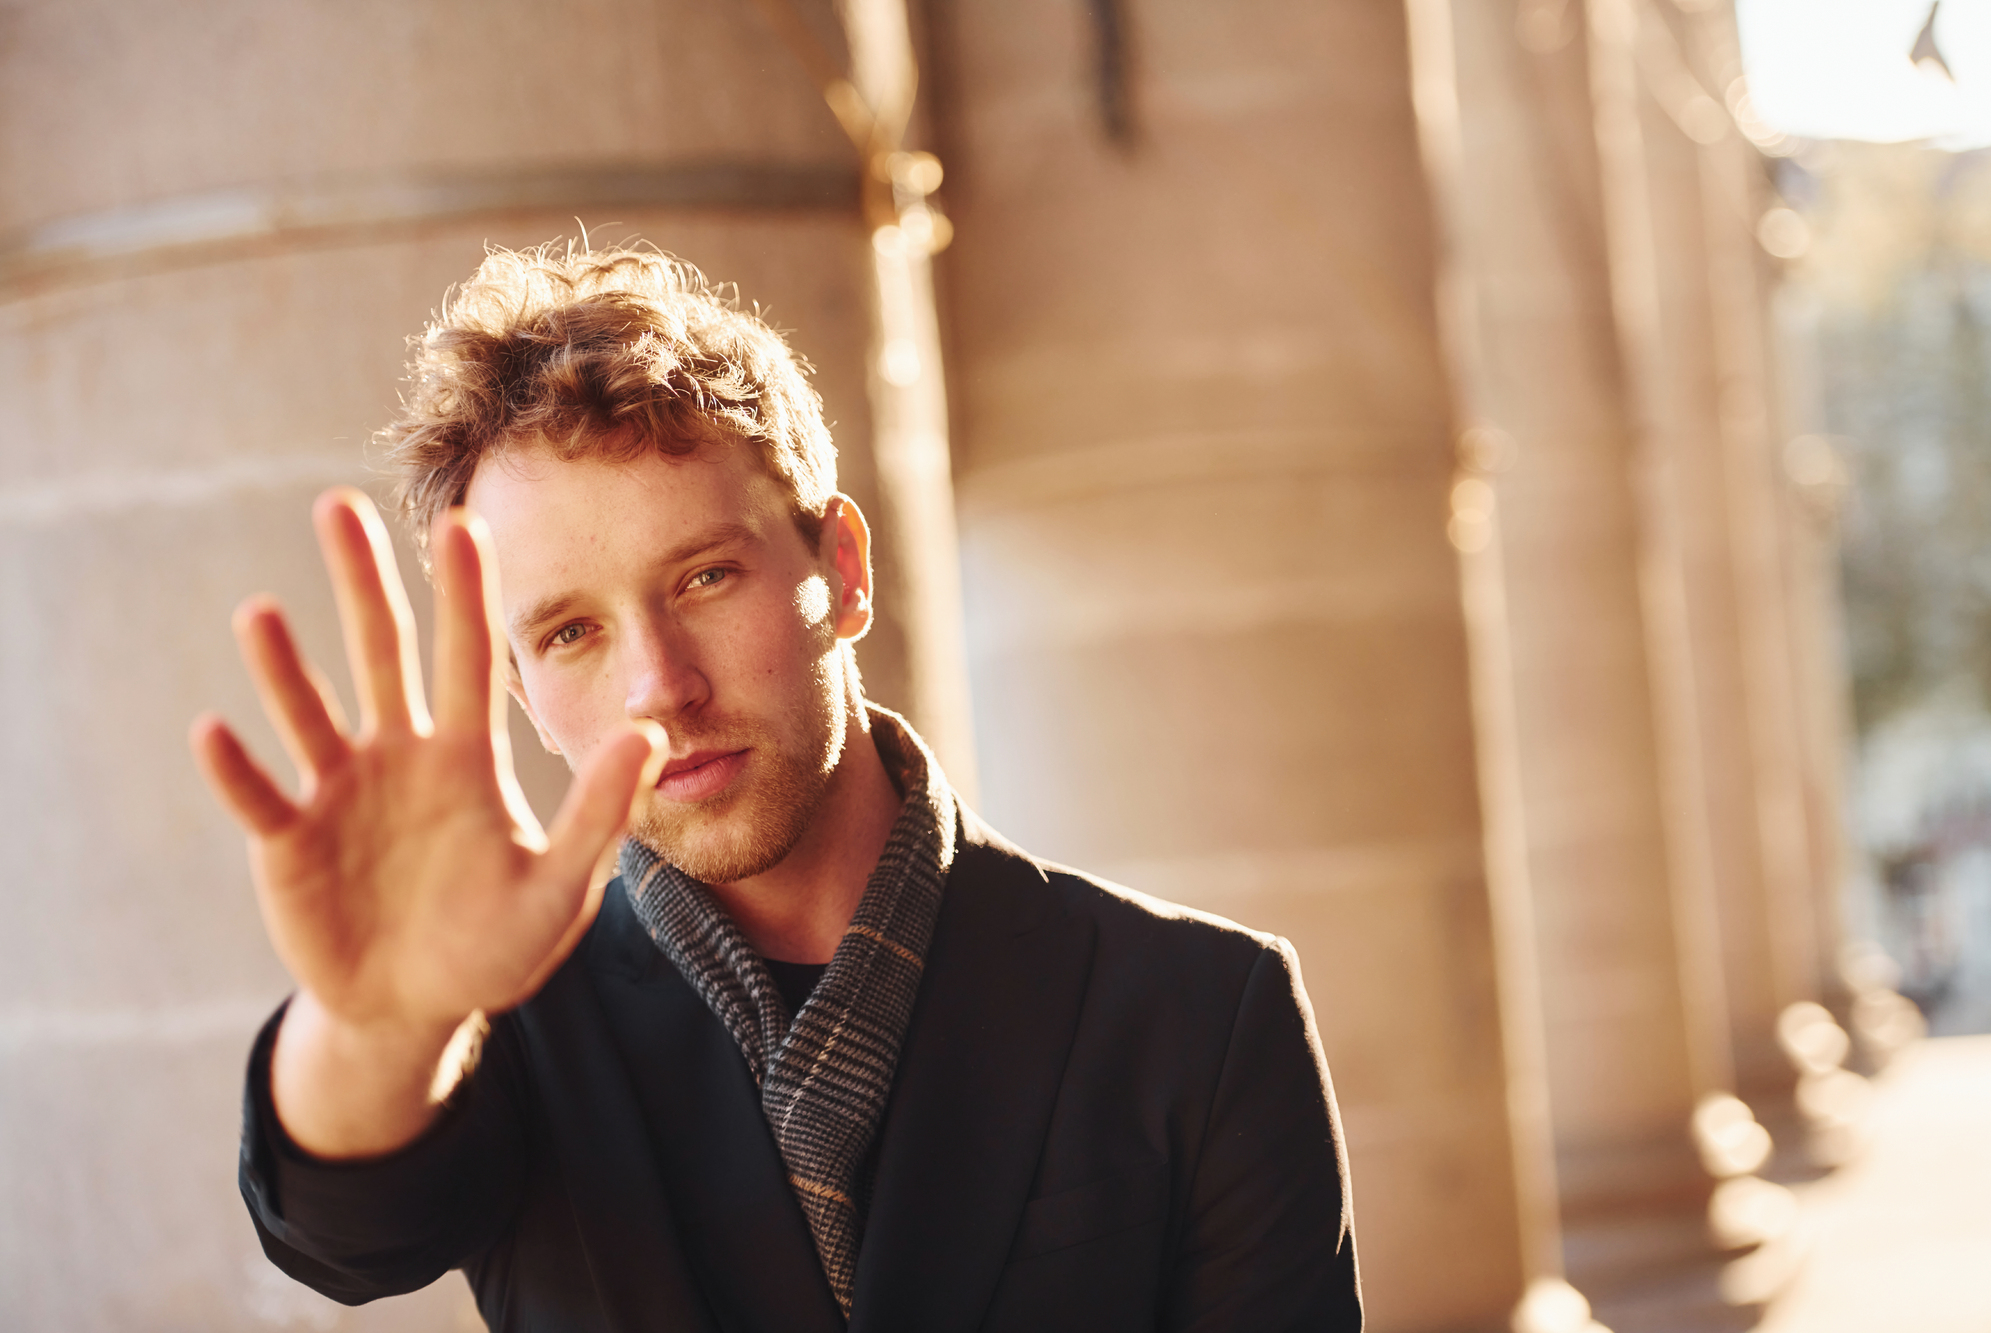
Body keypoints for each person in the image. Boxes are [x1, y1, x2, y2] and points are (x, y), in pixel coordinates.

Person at [192, 245, 1362, 1332]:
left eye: (703, 576)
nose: (660, 683)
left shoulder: (1202, 1011)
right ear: (520, 689)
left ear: (840, 570)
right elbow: (342, 1235)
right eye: (570, 633)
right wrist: (378, 1019)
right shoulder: (496, 1025)